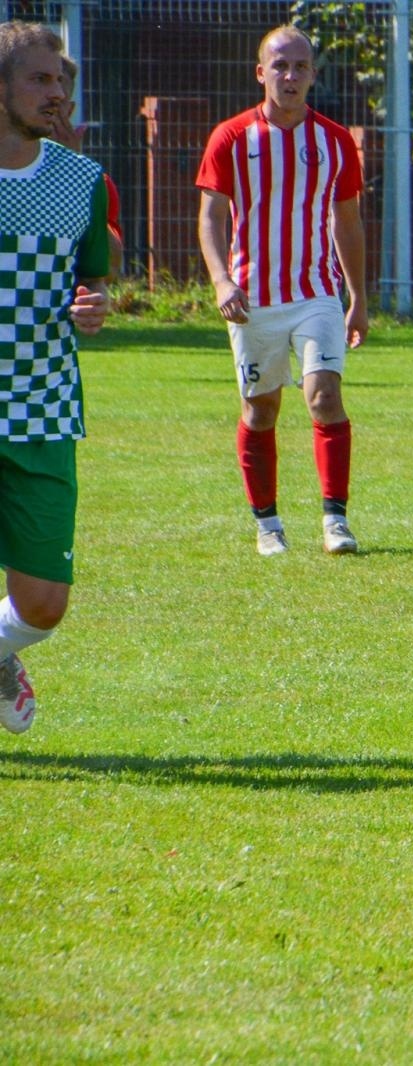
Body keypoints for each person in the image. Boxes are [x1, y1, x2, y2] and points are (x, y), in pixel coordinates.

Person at [196, 25, 367, 557]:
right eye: (280, 66)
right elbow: (210, 218)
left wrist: (357, 296)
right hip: (254, 299)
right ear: (261, 72)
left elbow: (348, 222)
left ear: (313, 74)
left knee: (324, 394)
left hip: (317, 294)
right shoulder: (231, 137)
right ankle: (267, 524)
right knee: (262, 410)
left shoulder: (335, 141)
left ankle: (335, 520)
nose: (290, 76)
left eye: (300, 67)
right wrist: (223, 278)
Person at [0, 21, 112, 733]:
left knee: (43, 605)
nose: (57, 94)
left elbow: (91, 283)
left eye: (62, 81)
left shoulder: (83, 182)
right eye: (40, 79)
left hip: (41, 411)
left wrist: (94, 308)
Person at [52, 56, 123, 276]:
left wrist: (71, 173)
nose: (46, 110)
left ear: (69, 110)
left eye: (56, 103)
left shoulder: (94, 182)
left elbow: (110, 268)